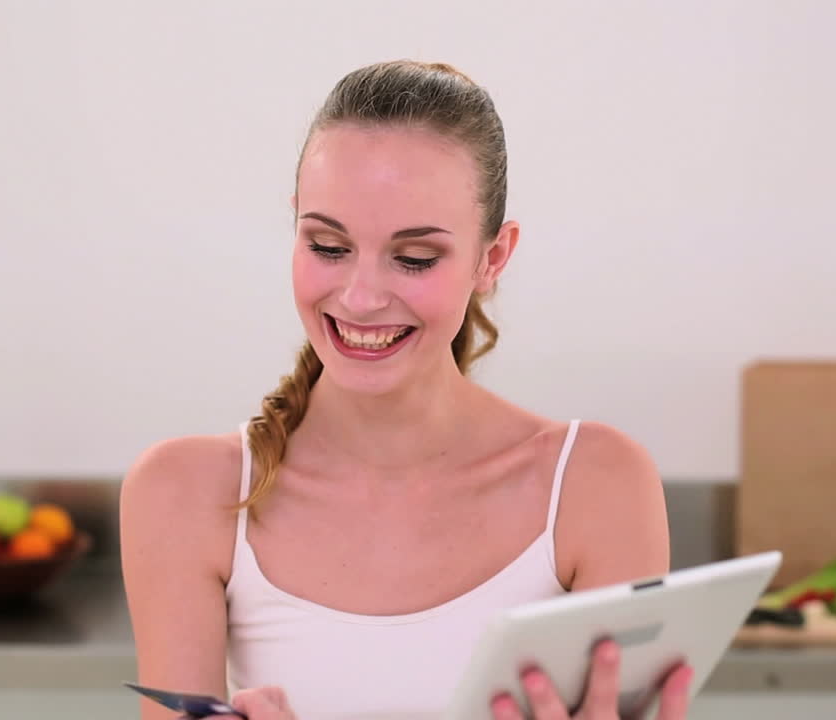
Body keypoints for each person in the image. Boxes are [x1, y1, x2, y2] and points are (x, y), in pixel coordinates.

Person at [119, 59, 691, 720]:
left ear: (492, 258)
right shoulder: (186, 493)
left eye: (414, 258)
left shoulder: (595, 485)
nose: (361, 297)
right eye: (328, 246)